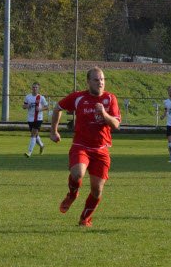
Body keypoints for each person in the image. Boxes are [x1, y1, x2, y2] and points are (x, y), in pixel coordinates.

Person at [50, 68, 122, 228]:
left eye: (102, 79)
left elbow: (116, 124)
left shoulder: (110, 98)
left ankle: (84, 218)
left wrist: (104, 114)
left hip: (101, 149)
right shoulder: (78, 97)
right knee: (78, 173)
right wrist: (54, 131)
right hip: (81, 146)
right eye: (96, 80)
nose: (100, 83)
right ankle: (72, 194)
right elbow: (58, 108)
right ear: (88, 82)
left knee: (97, 190)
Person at [22, 82, 48, 157]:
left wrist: (40, 109)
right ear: (31, 88)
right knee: (35, 135)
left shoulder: (41, 97)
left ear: (38, 88)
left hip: (38, 118)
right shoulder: (28, 97)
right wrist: (27, 106)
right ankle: (42, 145)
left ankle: (29, 152)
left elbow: (46, 107)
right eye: (33, 87)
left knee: (33, 134)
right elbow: (23, 106)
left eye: (36, 87)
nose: (35, 89)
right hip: (30, 118)